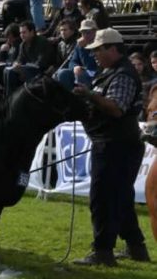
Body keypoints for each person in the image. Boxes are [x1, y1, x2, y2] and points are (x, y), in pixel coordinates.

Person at [73, 28, 151, 266]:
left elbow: (117, 107)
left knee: (103, 198)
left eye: (99, 49)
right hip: (111, 142)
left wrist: (89, 95)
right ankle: (136, 247)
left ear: (113, 49)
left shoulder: (123, 75)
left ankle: (103, 251)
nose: (95, 54)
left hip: (117, 145)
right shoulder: (110, 72)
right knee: (121, 197)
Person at [3, 21, 55, 97]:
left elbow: (41, 63)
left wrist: (23, 68)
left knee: (20, 72)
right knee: (8, 71)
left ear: (32, 32)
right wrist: (16, 64)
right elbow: (19, 59)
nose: (22, 35)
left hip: (42, 71)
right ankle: (9, 98)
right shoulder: (22, 45)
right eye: (20, 33)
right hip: (28, 69)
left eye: (24, 32)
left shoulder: (42, 42)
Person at [55, 19, 99, 90]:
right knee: (63, 73)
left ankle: (84, 98)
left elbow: (90, 66)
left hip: (96, 73)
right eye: (83, 33)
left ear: (95, 32)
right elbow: (72, 61)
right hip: (81, 73)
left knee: (82, 75)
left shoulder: (100, 44)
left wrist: (83, 49)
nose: (85, 35)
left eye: (88, 32)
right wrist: (75, 67)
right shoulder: (80, 44)